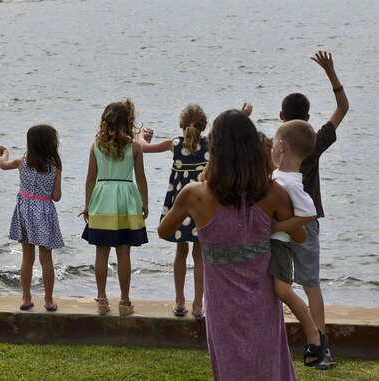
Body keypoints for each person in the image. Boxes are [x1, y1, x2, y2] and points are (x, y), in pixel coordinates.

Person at [160, 110, 303, 381]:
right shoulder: (272, 192)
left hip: (222, 303)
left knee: (230, 366)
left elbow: (164, 229)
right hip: (262, 298)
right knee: (267, 363)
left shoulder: (194, 194)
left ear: (214, 148)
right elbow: (300, 236)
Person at [282, 51, 348, 370]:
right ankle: (322, 347)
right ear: (308, 119)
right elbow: (342, 108)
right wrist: (331, 73)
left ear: (281, 116)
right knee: (311, 284)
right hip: (307, 223)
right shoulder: (315, 142)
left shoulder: (276, 146)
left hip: (278, 222)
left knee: (277, 282)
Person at [137, 104, 209, 319]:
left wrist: (142, 135)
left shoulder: (174, 144)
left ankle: (179, 302)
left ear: (181, 124)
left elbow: (141, 148)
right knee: (200, 256)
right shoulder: (210, 143)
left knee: (181, 251)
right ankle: (198, 305)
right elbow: (228, 132)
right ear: (203, 126)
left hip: (179, 203)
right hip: (202, 203)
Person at [80, 99, 149, 317]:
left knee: (101, 252)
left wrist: (87, 205)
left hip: (102, 198)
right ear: (127, 123)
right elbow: (141, 179)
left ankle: (101, 299)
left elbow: (90, 179)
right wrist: (144, 204)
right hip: (125, 201)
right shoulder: (135, 148)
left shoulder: (96, 147)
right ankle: (125, 302)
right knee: (124, 251)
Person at [268, 120, 328, 366]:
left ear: (281, 146)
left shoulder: (292, 182)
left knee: (283, 290)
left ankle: (314, 334)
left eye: (272, 145)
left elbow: (309, 214)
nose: (271, 149)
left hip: (280, 244)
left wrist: (278, 227)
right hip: (269, 244)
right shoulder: (277, 175)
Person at [0, 125, 64, 312]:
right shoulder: (55, 167)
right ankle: (48, 301)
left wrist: (5, 152)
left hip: (24, 210)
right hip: (45, 212)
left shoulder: (21, 162)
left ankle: (26, 298)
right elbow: (56, 197)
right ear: (50, 144)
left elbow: (2, 165)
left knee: (27, 257)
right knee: (46, 259)